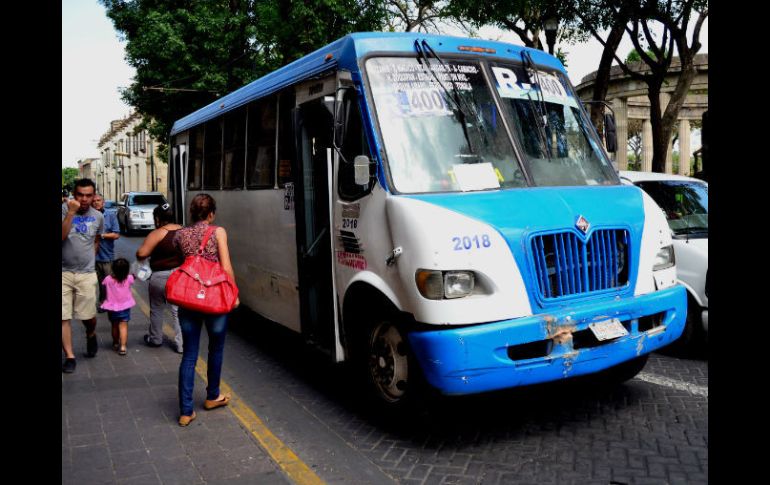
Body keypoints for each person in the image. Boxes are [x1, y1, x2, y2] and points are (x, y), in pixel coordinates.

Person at [174, 193, 239, 426]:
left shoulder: (180, 234)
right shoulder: (218, 232)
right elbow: (226, 265)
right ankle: (212, 396)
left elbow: (182, 263)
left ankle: (186, 411)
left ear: (192, 213)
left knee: (189, 355)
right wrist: (234, 294)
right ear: (212, 214)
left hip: (188, 298)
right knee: (216, 348)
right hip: (213, 297)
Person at [62, 178, 104, 373]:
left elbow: (96, 240)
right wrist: (70, 213)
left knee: (88, 316)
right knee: (63, 317)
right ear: (74, 194)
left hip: (87, 273)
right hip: (63, 272)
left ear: (94, 195)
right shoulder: (64, 211)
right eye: (80, 195)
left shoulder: (98, 217)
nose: (85, 199)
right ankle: (70, 356)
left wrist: (91, 257)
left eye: (89, 195)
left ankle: (91, 332)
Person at [136, 203, 184, 353]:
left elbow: (141, 254)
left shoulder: (157, 233)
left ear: (157, 218)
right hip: (179, 275)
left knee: (157, 308)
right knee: (178, 311)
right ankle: (181, 345)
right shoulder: (184, 231)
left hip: (160, 276)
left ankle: (155, 339)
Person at [100, 258, 136, 355]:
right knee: (123, 326)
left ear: (113, 269)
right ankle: (123, 347)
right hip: (125, 307)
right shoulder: (129, 278)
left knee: (114, 326)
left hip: (112, 308)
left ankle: (115, 343)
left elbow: (103, 285)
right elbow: (134, 277)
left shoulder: (108, 279)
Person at [92, 194, 121, 313]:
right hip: (92, 257)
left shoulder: (110, 216)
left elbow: (116, 234)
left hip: (106, 256)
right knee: (99, 282)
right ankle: (102, 302)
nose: (96, 203)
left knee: (109, 281)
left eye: (98, 200)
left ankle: (113, 302)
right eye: (93, 201)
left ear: (103, 202)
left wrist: (102, 235)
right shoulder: (87, 217)